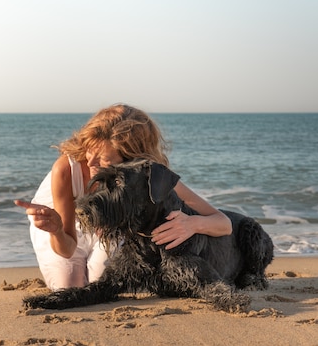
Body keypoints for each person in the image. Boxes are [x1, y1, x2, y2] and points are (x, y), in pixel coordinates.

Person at [15, 104, 232, 291]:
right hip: (62, 225)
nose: (91, 164)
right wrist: (56, 230)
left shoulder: (143, 175)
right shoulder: (66, 169)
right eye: (90, 151)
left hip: (111, 223)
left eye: (105, 161)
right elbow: (67, 247)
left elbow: (224, 224)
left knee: (105, 284)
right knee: (70, 288)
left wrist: (192, 224)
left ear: (131, 160)